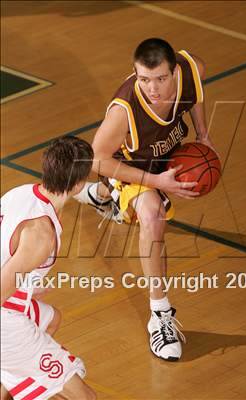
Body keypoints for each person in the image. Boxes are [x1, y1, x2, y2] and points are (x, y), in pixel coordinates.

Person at [75, 38, 215, 361]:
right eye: (143, 79)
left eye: (161, 79)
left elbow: (194, 90)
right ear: (135, 74)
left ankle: (101, 197)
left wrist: (204, 134)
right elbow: (96, 159)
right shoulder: (124, 111)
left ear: (174, 72)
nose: (152, 88)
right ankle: (160, 315)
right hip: (129, 165)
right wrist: (155, 182)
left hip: (162, 154)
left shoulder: (192, 69)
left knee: (136, 206)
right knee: (152, 216)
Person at [1, 137, 97, 400]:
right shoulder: (42, 234)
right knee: (86, 398)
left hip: (10, 305)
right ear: (78, 184)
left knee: (51, 318)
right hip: (4, 321)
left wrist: (27, 285)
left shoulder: (19, 193)